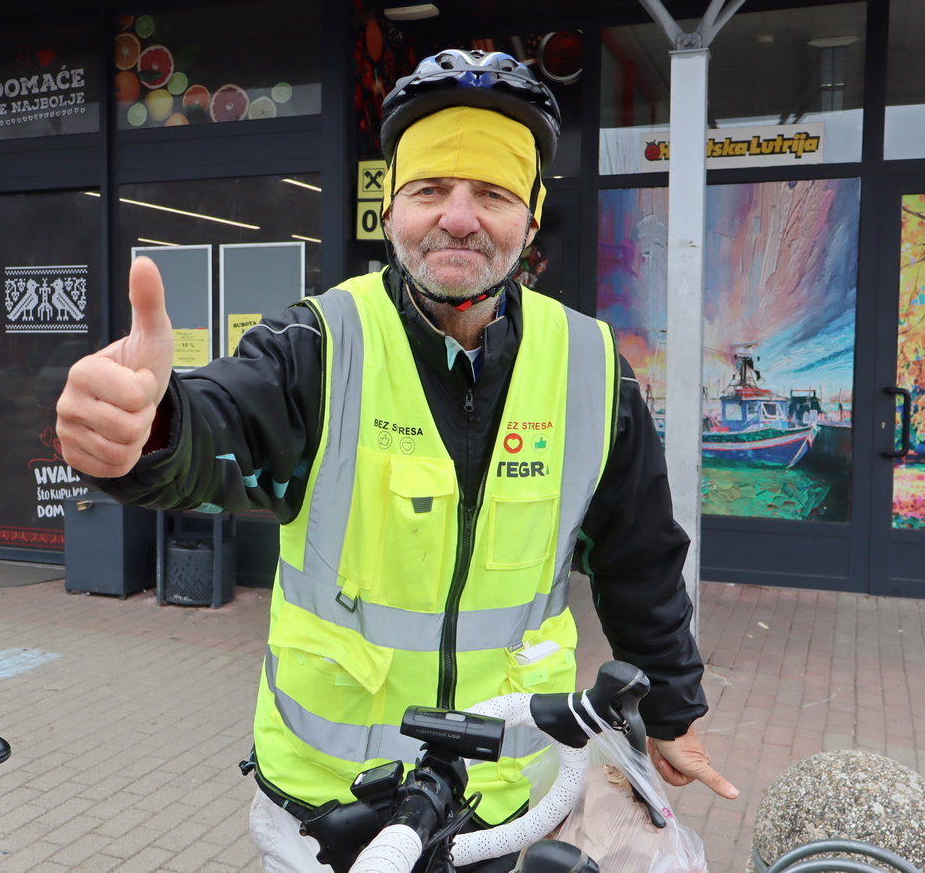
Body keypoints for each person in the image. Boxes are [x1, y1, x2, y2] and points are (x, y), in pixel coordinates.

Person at [56, 49, 737, 872]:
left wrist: (670, 709)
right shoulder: (320, 344)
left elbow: (640, 558)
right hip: (330, 815)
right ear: (390, 208)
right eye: (430, 189)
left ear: (531, 217)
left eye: (492, 193)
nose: (459, 217)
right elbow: (217, 427)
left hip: (501, 805)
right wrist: (149, 430)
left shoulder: (590, 367)